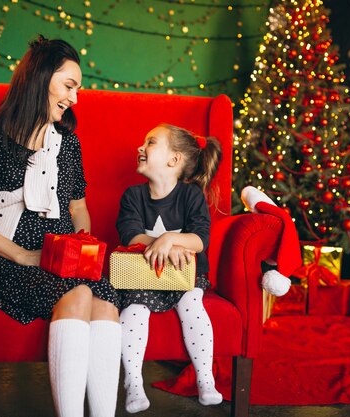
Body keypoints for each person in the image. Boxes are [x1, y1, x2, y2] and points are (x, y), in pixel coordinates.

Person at [0, 35, 121, 417]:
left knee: (107, 305)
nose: (74, 98)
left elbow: (78, 206)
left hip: (64, 257)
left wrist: (82, 245)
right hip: (12, 260)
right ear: (40, 78)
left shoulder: (69, 143)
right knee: (79, 297)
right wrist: (24, 256)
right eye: (69, 85)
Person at [115, 123, 223, 413]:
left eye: (150, 142)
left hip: (184, 275)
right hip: (143, 275)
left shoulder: (191, 196)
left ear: (173, 160)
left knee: (192, 305)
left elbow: (200, 239)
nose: (140, 147)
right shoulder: (133, 196)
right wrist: (159, 244)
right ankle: (133, 383)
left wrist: (170, 239)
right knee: (133, 311)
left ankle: (205, 378)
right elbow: (130, 235)